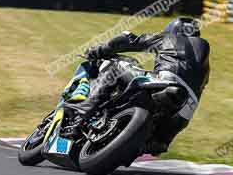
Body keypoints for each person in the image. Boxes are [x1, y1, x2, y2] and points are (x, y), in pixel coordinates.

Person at [66, 17, 210, 155]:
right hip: (183, 113)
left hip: (165, 83)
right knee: (156, 144)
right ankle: (153, 143)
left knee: (116, 68)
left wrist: (98, 51)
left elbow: (127, 40)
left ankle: (85, 110)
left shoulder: (168, 38)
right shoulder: (206, 65)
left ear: (173, 30)